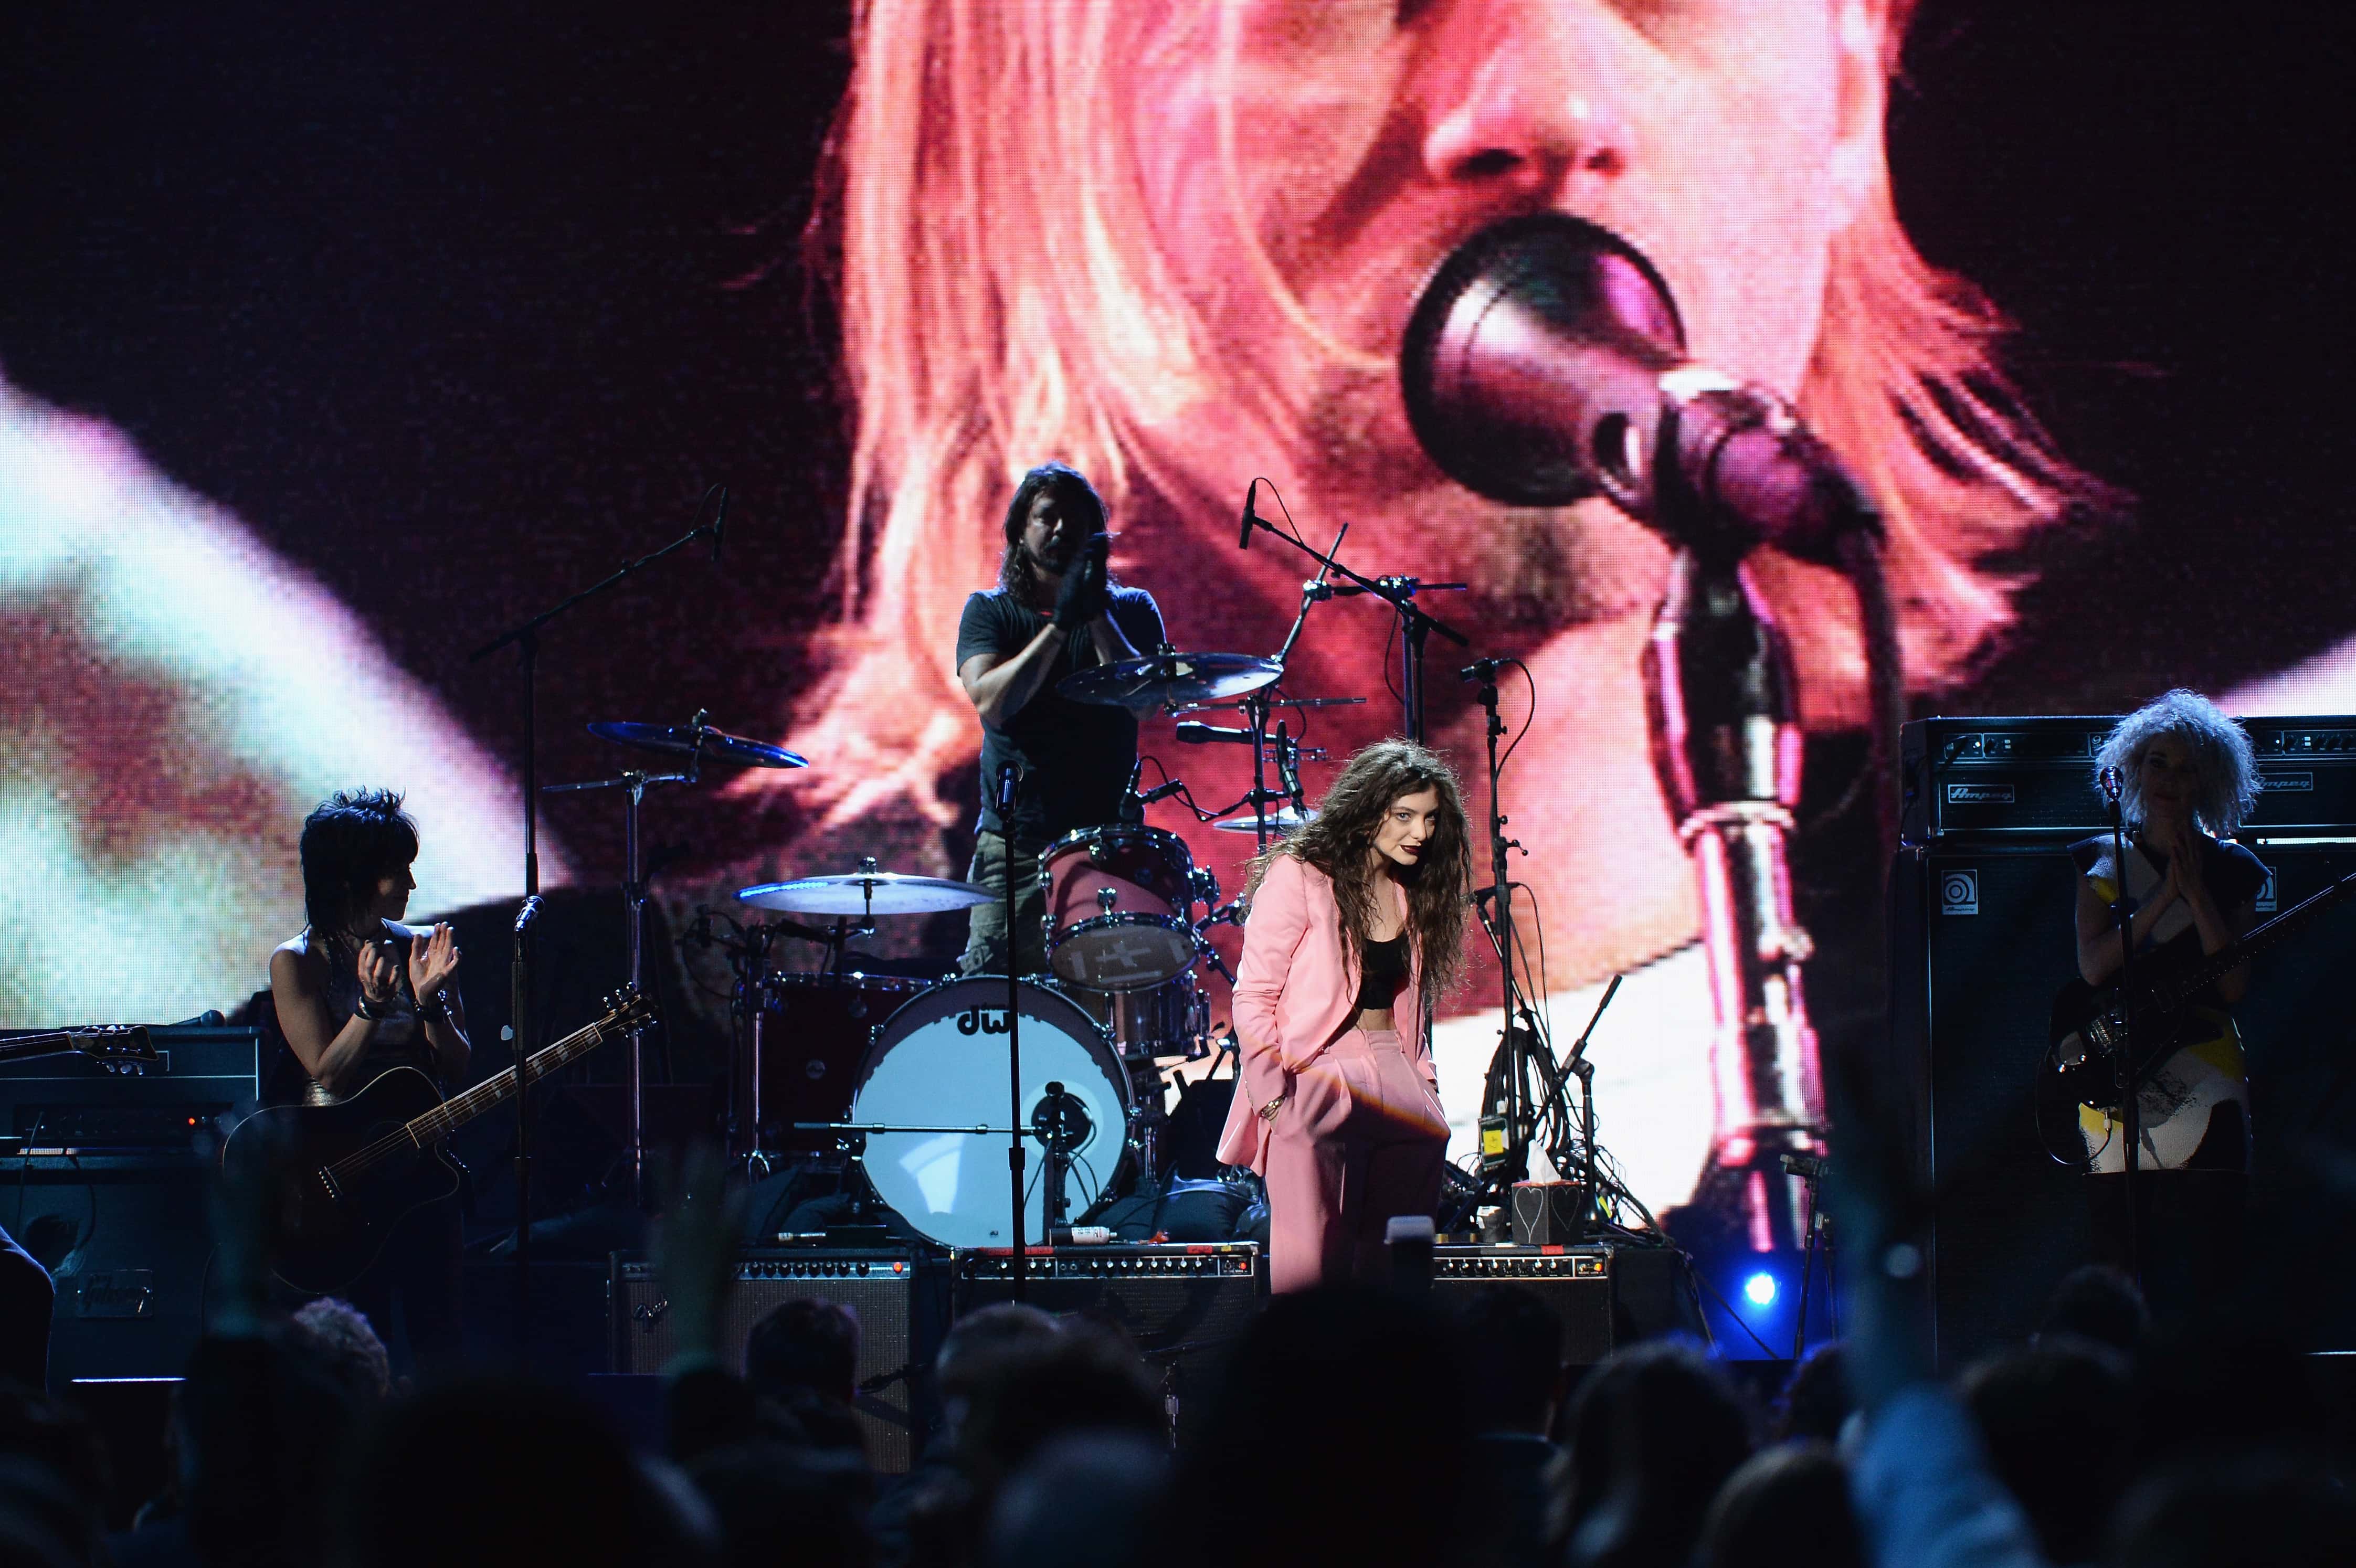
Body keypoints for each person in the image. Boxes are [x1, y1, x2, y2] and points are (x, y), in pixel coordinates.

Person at [779, 0, 2113, 1226]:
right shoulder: (739, 1107)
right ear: (995, 141)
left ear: (1849, 87)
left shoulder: (2139, 1082)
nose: (1544, 111)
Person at [1215, 739, 1466, 1291]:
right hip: (1316, 1073)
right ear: (1367, 808)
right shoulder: (1300, 875)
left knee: (1399, 1276)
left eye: (1429, 819)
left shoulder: (1412, 889)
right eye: (1404, 816)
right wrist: (1275, 1101)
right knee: (1312, 1278)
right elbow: (1253, 996)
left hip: (1396, 1076)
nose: (1420, 833)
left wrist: (1424, 1083)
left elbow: (1411, 1005)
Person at [2069, 691, 2264, 1317]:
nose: (2170, 780)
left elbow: (2233, 986)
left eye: (2185, 768)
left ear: (2208, 777)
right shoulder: (2102, 860)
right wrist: (2158, 901)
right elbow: (2094, 965)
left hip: (2206, 1066)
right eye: (2158, 763)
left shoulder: (2235, 867)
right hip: (2120, 1069)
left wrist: (2195, 892)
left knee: (2214, 1250)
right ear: (2133, 768)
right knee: (2120, 1248)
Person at [266, 787, 470, 1365]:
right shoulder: (297, 961)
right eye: (396, 871)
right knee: (361, 1338)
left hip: (424, 1172)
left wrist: (430, 1004)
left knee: (441, 1336)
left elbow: (457, 1066)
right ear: (354, 876)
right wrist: (369, 1009)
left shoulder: (422, 951)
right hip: (343, 1185)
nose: (410, 885)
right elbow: (327, 1073)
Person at [952, 462, 1165, 976]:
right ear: (1020, 533)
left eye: (1075, 520)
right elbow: (992, 704)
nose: (1061, 530)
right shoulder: (989, 611)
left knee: (1105, 997)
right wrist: (1058, 628)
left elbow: (1145, 703)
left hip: (1109, 845)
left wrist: (1094, 615)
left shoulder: (1133, 609)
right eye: (1047, 517)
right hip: (1015, 847)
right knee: (993, 993)